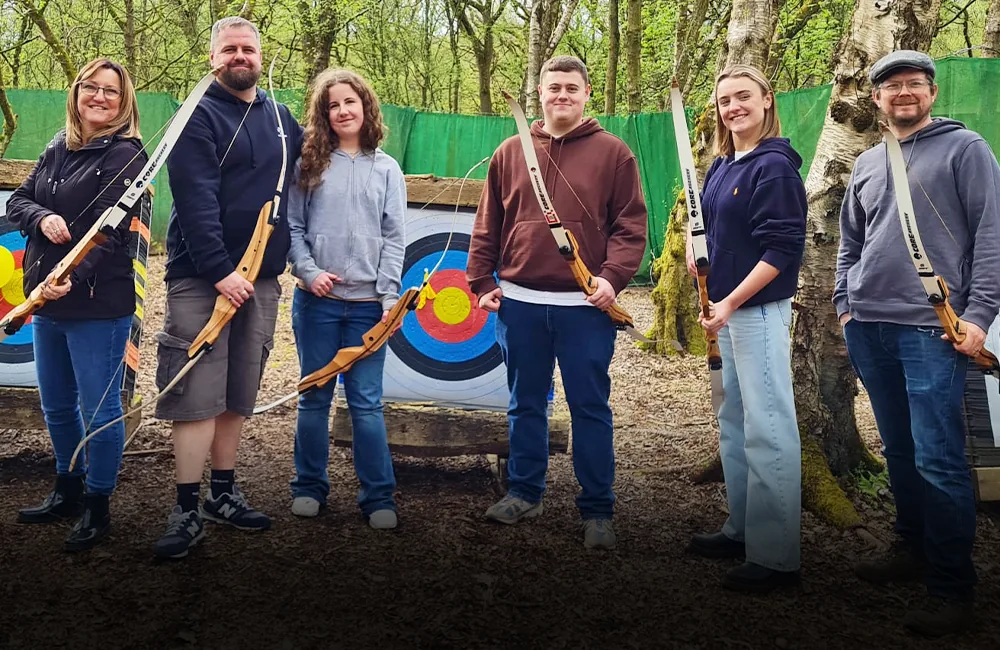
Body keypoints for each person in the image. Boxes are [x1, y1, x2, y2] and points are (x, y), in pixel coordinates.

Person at [835, 50, 1000, 637]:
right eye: (891, 86)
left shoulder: (967, 149)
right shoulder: (868, 163)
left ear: (931, 92)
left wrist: (978, 315)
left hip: (935, 328)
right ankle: (911, 548)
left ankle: (953, 588)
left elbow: (991, 235)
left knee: (939, 456)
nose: (903, 93)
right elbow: (849, 242)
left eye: (914, 84)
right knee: (900, 450)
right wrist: (844, 303)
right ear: (876, 99)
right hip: (870, 325)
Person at [466, 55, 647, 549]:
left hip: (584, 308)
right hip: (521, 303)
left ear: (588, 93)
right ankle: (525, 492)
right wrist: (481, 282)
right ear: (540, 94)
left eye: (572, 87)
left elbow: (631, 226)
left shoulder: (614, 154)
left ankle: (598, 510)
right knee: (525, 403)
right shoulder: (509, 152)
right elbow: (488, 225)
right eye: (553, 87)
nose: (562, 95)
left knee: (589, 406)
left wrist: (612, 278)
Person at [151, 16, 303, 560]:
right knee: (196, 395)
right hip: (203, 278)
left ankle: (222, 492)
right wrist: (220, 271)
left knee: (239, 391)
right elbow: (195, 199)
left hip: (259, 281)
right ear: (213, 57)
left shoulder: (283, 119)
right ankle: (186, 508)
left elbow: (305, 187)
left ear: (261, 56)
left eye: (249, 49)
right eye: (229, 49)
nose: (240, 57)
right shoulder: (196, 116)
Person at [7, 58, 148, 551]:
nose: (99, 98)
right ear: (77, 92)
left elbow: (109, 236)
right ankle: (66, 488)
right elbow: (17, 202)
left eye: (111, 91)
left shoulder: (127, 155)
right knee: (57, 406)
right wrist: (43, 217)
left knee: (99, 410)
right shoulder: (57, 147)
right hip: (46, 301)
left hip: (95, 304)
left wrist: (67, 276)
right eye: (91, 87)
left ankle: (97, 503)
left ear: (123, 101)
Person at [684, 64, 806, 592]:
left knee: (768, 424)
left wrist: (730, 300)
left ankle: (778, 557)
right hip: (727, 312)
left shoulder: (775, 167)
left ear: (766, 101)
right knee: (733, 420)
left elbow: (783, 249)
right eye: (725, 100)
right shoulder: (722, 164)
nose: (734, 107)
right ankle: (744, 528)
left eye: (743, 97)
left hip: (755, 311)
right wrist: (697, 251)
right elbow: (709, 228)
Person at [285, 68, 406, 529]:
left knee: (367, 403)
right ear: (324, 113)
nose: (342, 111)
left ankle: (378, 498)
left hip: (369, 309)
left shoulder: (387, 168)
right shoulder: (309, 164)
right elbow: (293, 227)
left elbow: (395, 236)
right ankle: (308, 487)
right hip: (317, 302)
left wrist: (388, 297)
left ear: (365, 106)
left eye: (349, 102)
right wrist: (310, 272)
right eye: (333, 105)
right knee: (314, 396)